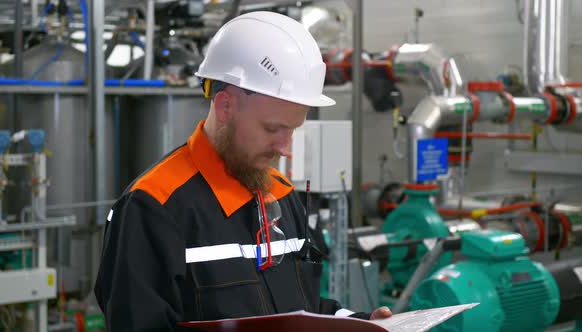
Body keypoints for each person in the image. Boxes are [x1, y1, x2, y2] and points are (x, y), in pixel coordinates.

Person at [94, 11, 391, 331]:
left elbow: (306, 309)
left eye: (293, 130)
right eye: (272, 128)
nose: (286, 148)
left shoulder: (281, 192)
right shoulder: (154, 208)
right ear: (225, 106)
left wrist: (359, 324)